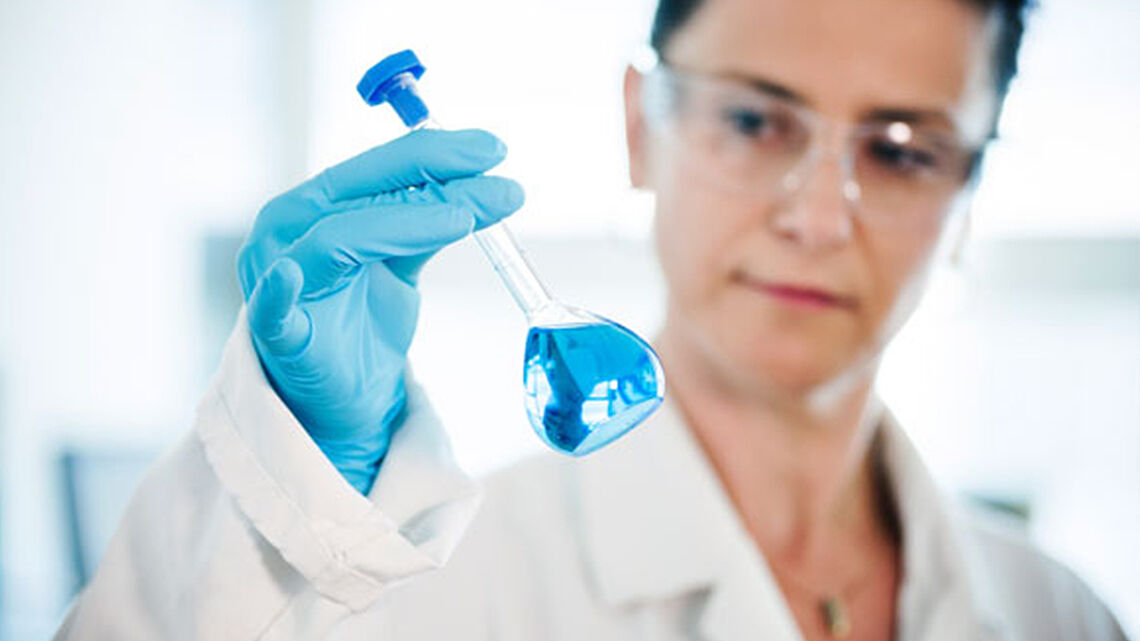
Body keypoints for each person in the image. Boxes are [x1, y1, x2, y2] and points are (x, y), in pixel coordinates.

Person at [54, 0, 1131, 639]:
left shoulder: (1058, 611)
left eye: (900, 150)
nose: (814, 215)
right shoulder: (433, 597)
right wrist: (282, 489)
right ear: (637, 125)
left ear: (966, 194)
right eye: (755, 120)